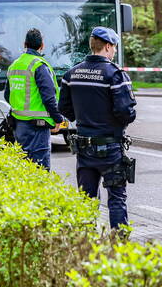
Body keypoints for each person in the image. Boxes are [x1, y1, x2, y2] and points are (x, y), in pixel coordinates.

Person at [59, 26, 137, 231]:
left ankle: (86, 244)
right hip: (111, 148)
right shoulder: (115, 75)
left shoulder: (71, 74)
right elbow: (126, 112)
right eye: (115, 48)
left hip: (84, 148)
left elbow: (64, 108)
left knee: (86, 200)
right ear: (108, 47)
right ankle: (119, 246)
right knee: (116, 199)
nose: (115, 52)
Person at [4, 28, 63, 170]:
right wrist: (58, 119)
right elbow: (49, 98)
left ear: (25, 44)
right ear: (42, 46)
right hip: (38, 127)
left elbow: (7, 95)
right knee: (40, 169)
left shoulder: (15, 65)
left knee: (23, 168)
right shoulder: (39, 65)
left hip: (19, 126)